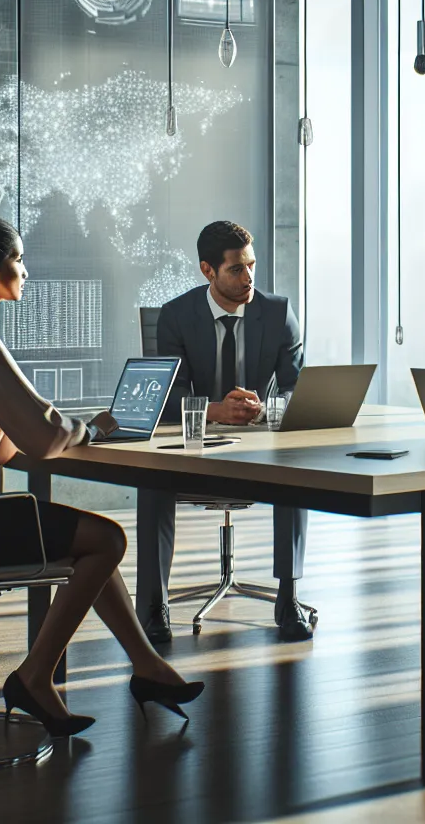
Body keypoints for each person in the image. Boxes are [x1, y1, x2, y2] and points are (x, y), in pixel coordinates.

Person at [0, 215, 202, 735]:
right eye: (19, 259)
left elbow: (21, 420)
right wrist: (92, 430)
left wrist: (77, 425)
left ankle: (148, 667)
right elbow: (41, 433)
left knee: (92, 544)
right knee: (106, 539)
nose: (26, 269)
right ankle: (34, 676)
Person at [137, 221, 313, 643]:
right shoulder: (176, 316)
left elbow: (297, 390)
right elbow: (164, 400)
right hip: (196, 449)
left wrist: (264, 408)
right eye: (236, 269)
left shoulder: (277, 311)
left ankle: (288, 598)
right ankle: (153, 606)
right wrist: (217, 409)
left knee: (297, 474)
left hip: (260, 451)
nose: (249, 277)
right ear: (207, 271)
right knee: (151, 481)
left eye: (252, 266)